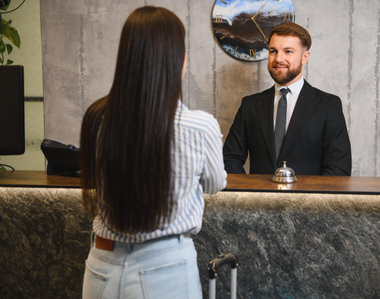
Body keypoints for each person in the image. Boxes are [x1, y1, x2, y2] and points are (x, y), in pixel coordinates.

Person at [79, 6, 227, 299]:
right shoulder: (200, 126)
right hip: (164, 268)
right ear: (177, 60)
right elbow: (215, 184)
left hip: (101, 266)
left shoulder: (97, 118)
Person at [223, 22, 351, 176]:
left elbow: (339, 168)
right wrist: (249, 194)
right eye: (273, 51)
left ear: (305, 57)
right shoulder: (250, 105)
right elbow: (229, 159)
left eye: (288, 51)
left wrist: (308, 200)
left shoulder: (328, 105)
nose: (278, 58)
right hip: (258, 199)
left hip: (309, 199)